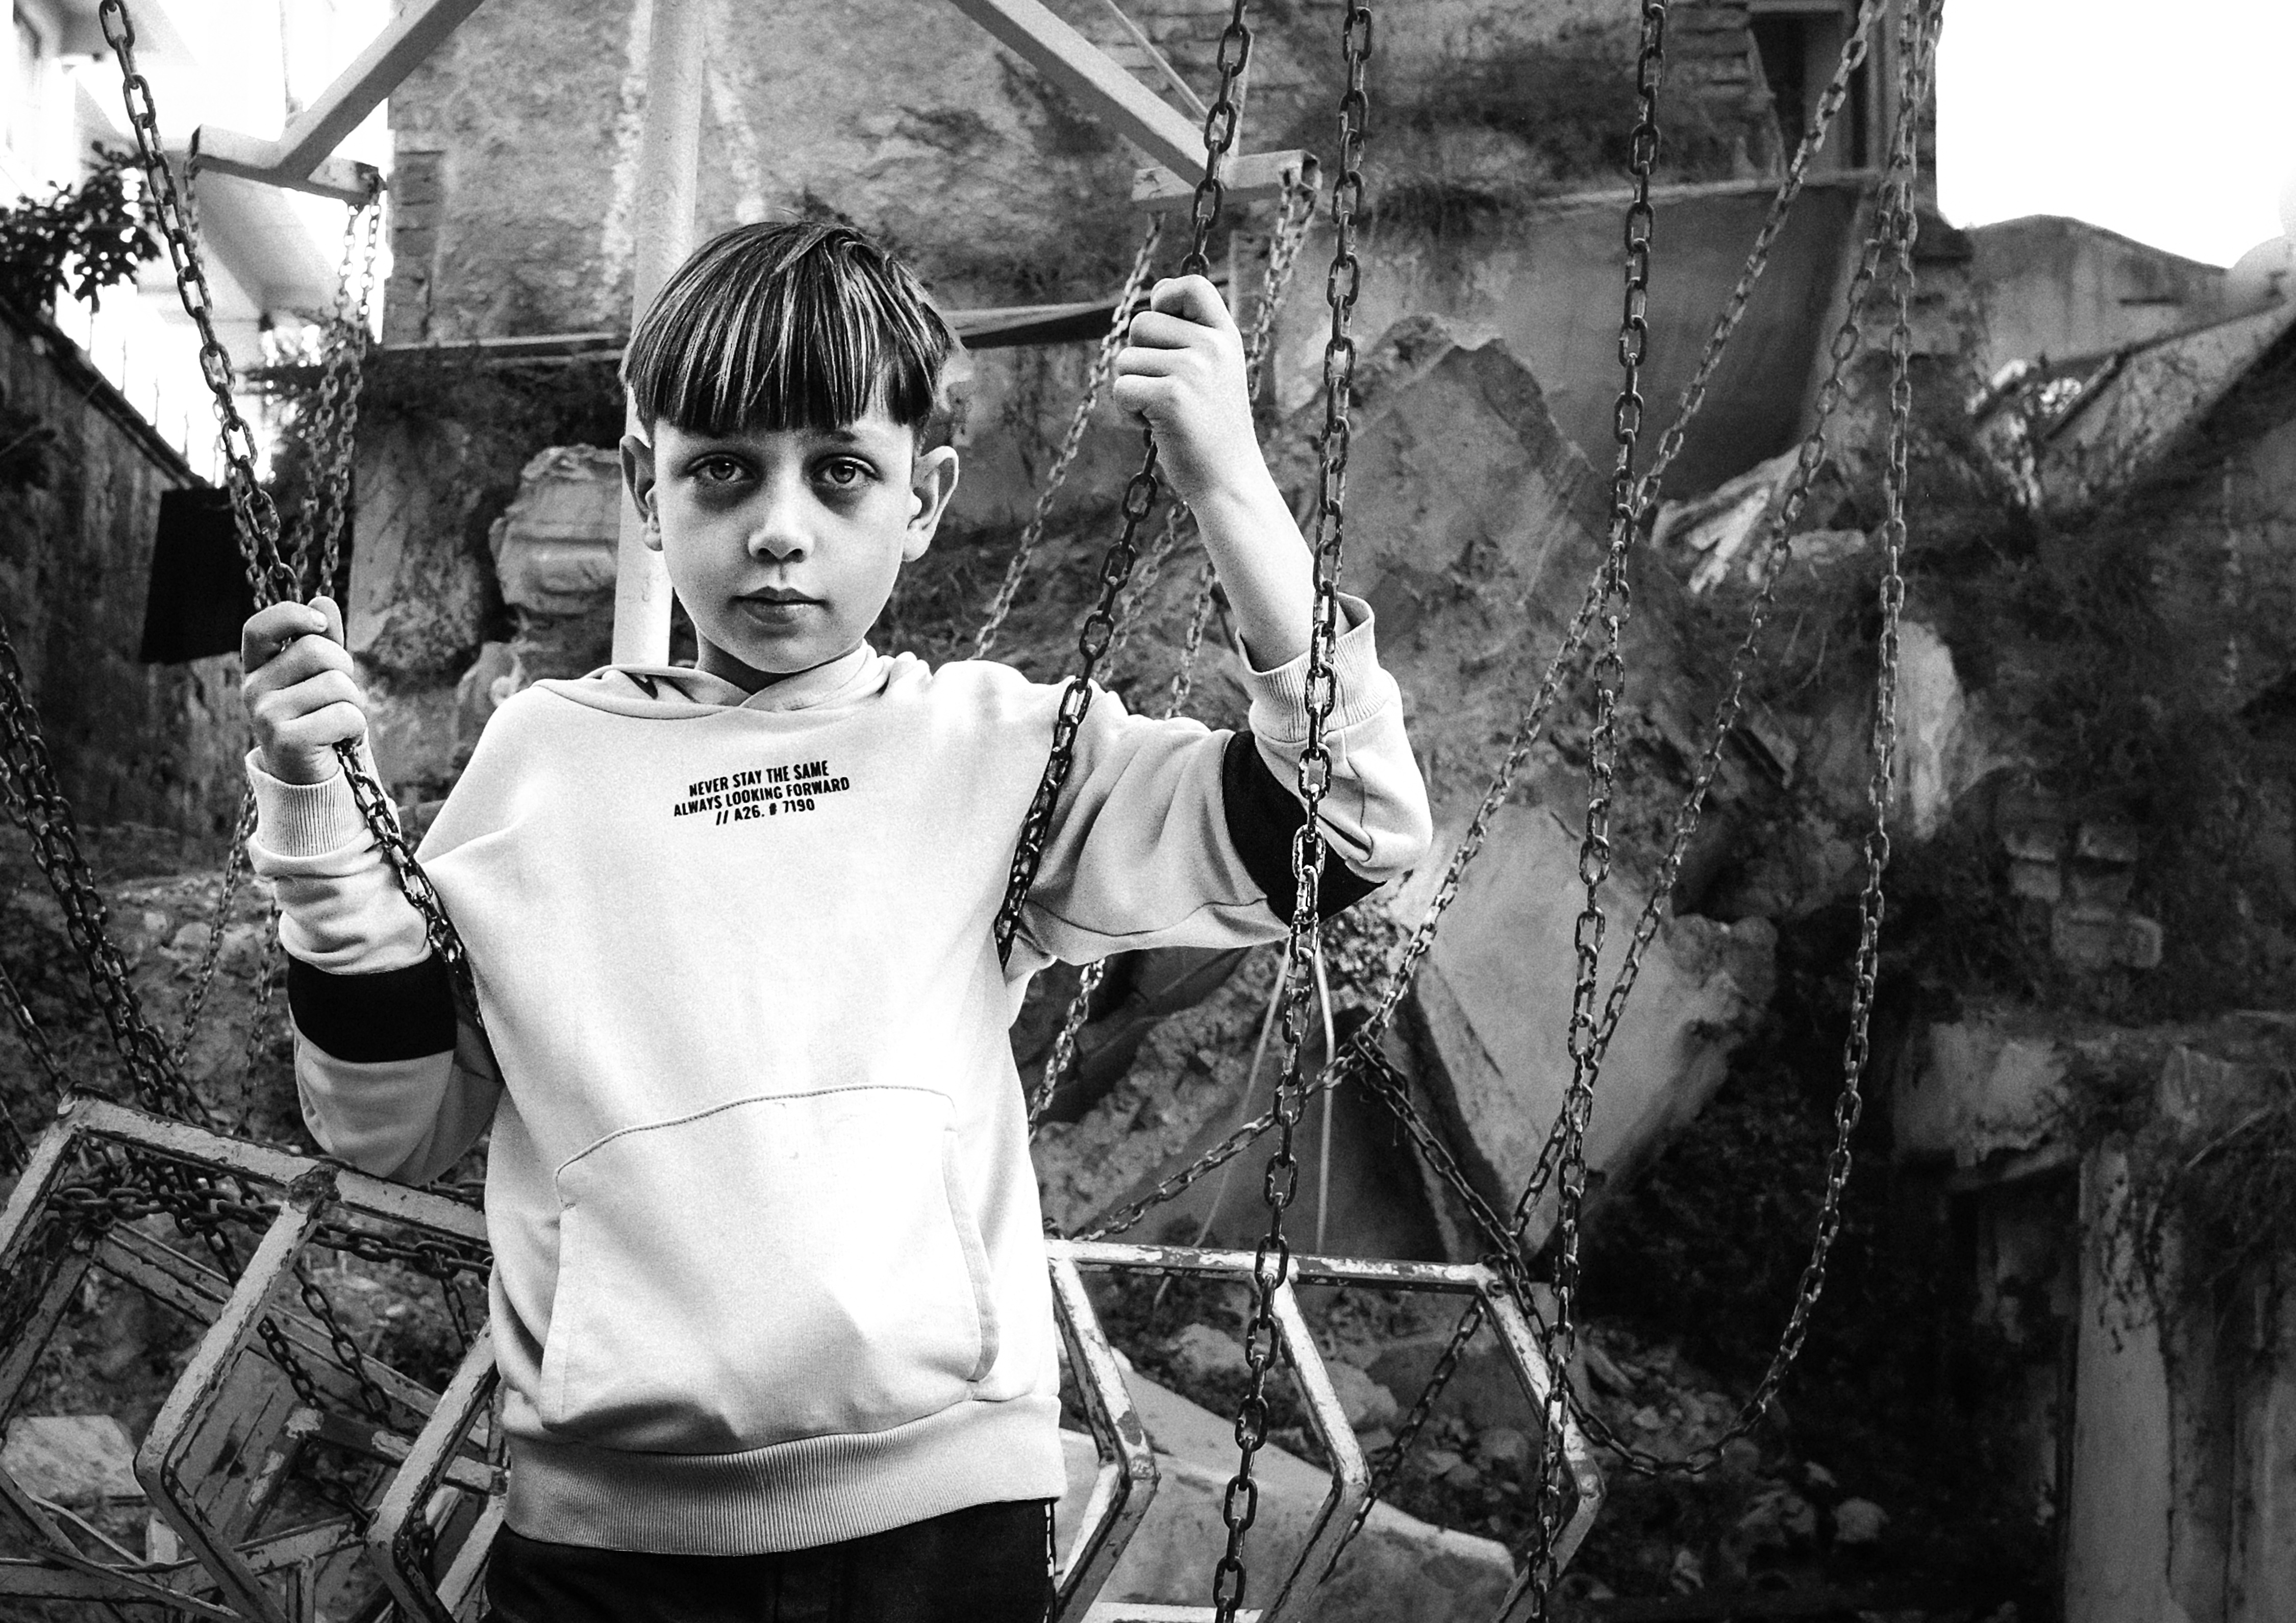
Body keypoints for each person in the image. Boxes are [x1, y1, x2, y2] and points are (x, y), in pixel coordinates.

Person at [238, 220, 1431, 1623]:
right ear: (647, 485)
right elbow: (396, 1124)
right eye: (724, 471)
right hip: (613, 1542)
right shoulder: (542, 766)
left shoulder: (994, 751)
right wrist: (317, 828)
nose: (779, 527)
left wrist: (1228, 482)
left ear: (920, 500)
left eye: (840, 473)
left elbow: (1347, 831)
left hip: (937, 1523)